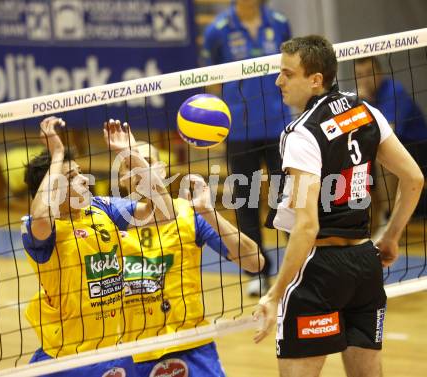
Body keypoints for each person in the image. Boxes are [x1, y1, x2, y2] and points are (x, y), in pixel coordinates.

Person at [253, 36, 424, 377]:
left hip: (320, 270)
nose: (278, 81)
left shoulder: (302, 134)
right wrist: (390, 238)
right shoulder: (367, 111)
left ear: (315, 79)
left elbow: (306, 226)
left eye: (287, 74)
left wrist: (274, 294)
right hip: (365, 266)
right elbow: (415, 179)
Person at [104, 132, 265, 377]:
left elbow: (255, 262)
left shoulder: (188, 214)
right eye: (129, 164)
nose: (137, 169)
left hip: (190, 345)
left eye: (145, 161)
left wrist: (209, 212)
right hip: (135, 350)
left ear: (161, 169)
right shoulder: (107, 220)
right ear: (122, 179)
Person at [21, 117, 172, 376]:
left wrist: (130, 154)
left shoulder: (102, 208)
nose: (83, 179)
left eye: (80, 172)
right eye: (72, 176)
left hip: (112, 354)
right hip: (64, 360)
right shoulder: (40, 227)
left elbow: (164, 212)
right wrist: (57, 153)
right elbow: (43, 217)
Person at [202, 0, 292, 296]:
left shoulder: (278, 23)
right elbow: (212, 82)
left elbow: (293, 70)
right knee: (247, 201)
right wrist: (215, 126)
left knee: (289, 198)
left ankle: (298, 266)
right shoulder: (218, 31)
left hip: (279, 125)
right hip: (239, 130)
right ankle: (259, 271)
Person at [355, 56, 427, 220]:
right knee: (356, 159)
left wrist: (363, 102)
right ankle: (367, 224)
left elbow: (388, 134)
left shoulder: (394, 91)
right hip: (389, 147)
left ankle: (389, 218)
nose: (364, 79)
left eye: (369, 73)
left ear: (379, 73)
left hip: (418, 147)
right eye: (359, 75)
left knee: (384, 157)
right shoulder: (358, 98)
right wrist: (359, 103)